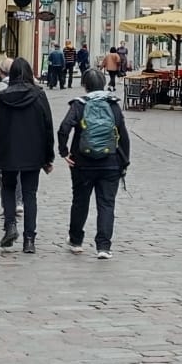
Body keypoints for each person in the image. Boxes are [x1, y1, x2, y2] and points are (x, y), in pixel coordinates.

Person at [60, 67, 132, 259]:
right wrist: (124, 162)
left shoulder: (79, 105)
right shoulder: (113, 104)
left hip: (82, 163)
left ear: (85, 85)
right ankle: (103, 247)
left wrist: (64, 152)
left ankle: (76, 241)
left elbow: (64, 128)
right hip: (110, 163)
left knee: (80, 201)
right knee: (106, 204)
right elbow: (123, 135)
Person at [0, 57, 54, 255]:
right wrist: (48, 157)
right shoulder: (39, 96)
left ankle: (10, 226)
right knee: (29, 194)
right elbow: (47, 127)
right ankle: (29, 240)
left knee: (8, 189)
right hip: (33, 153)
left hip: (8, 152)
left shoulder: (1, 97)